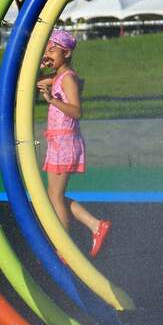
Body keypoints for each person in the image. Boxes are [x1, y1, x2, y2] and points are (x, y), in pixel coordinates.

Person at [37, 29, 111, 258]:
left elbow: (77, 111)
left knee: (55, 197)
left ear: (66, 52)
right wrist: (43, 65)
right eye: (46, 51)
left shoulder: (67, 78)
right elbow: (37, 81)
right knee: (52, 196)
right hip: (58, 140)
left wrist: (51, 100)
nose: (47, 54)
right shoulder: (61, 76)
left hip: (64, 141)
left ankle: (64, 249)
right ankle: (95, 225)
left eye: (52, 50)